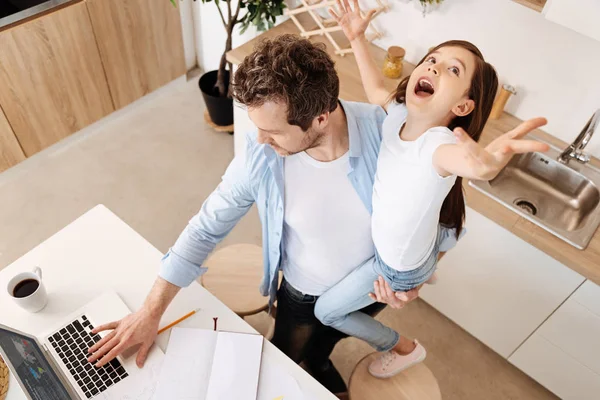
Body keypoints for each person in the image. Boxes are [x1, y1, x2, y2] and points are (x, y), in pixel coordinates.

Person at [85, 34, 422, 396]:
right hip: (302, 293)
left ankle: (320, 360)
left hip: (369, 291)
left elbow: (443, 219)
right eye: (256, 125)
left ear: (320, 118)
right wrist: (149, 312)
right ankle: (313, 361)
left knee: (331, 338)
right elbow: (205, 229)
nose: (260, 140)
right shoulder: (261, 155)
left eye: (273, 131)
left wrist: (417, 275)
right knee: (288, 353)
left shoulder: (391, 138)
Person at [313, 0, 550, 379]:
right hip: (418, 242)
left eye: (452, 69)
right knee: (438, 232)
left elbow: (467, 163)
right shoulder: (400, 116)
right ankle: (437, 251)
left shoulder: (437, 147)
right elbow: (375, 90)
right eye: (432, 60)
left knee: (326, 311)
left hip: (396, 266)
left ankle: (403, 347)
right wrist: (357, 38)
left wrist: (485, 165)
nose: (434, 66)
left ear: (463, 105)